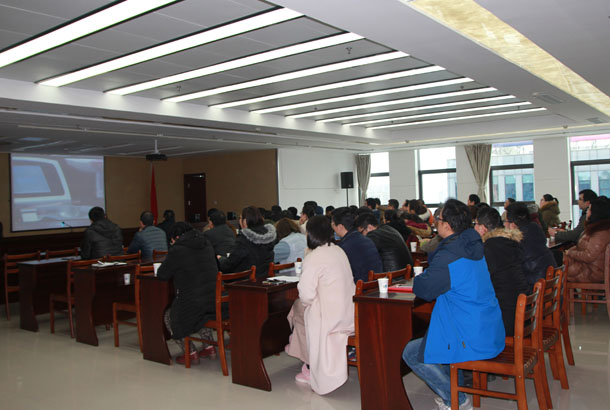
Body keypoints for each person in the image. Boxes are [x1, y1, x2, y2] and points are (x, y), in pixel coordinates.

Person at [402, 199, 505, 410]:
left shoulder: (451, 254)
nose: (436, 223)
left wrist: (421, 276)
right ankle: (455, 392)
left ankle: (457, 399)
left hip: (468, 334)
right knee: (434, 338)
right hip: (487, 326)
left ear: (447, 225)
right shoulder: (473, 245)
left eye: (438, 220)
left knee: (411, 353)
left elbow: (424, 289)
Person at [284, 215, 355, 394]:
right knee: (298, 311)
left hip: (330, 318)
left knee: (298, 311)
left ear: (309, 234)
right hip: (349, 312)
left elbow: (306, 296)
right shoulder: (338, 250)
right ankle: (298, 350)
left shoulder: (314, 256)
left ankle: (307, 363)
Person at [157, 222, 218, 365]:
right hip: (214, 300)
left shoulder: (178, 249)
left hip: (194, 302)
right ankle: (209, 346)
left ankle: (190, 352)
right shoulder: (206, 243)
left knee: (169, 315)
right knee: (201, 312)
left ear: (176, 238)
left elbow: (162, 274)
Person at [474, 207, 529, 336]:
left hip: (506, 319)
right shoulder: (509, 243)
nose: (473, 228)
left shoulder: (489, 248)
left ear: (483, 228)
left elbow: (479, 284)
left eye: (475, 224)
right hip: (523, 314)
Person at [505, 202, 556, 288]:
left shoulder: (518, 239)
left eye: (505, 221)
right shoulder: (534, 229)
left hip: (535, 284)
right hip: (546, 278)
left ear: (513, 225)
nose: (504, 224)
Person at [218, 206, 276, 279]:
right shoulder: (269, 236)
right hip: (266, 278)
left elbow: (228, 265)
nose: (239, 221)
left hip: (247, 281)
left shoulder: (244, 239)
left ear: (245, 221)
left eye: (240, 218)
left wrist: (220, 259)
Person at [565, 196, 610, 283]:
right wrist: (570, 251)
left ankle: (548, 288)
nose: (587, 212)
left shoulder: (600, 233)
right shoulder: (600, 229)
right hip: (591, 268)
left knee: (555, 260)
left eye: (589, 209)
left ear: (595, 213)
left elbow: (589, 256)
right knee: (555, 258)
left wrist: (570, 253)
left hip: (590, 272)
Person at [331, 207, 382, 282]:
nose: (331, 227)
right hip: (375, 284)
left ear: (340, 227)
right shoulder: (366, 240)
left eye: (333, 224)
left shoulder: (344, 247)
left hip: (360, 286)